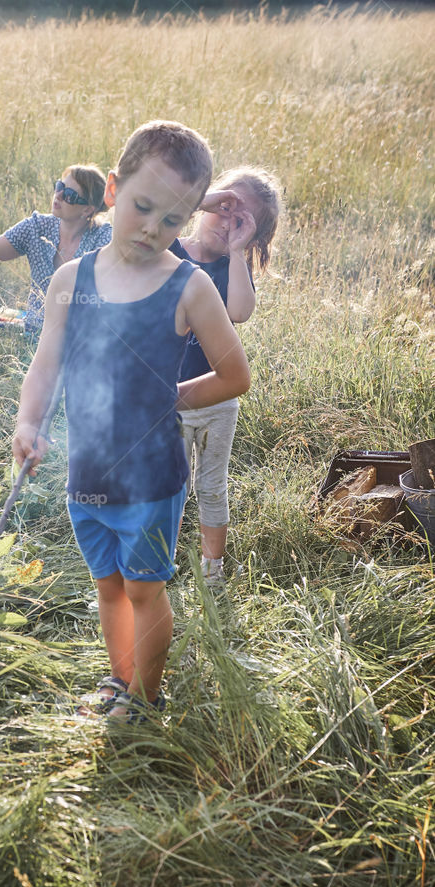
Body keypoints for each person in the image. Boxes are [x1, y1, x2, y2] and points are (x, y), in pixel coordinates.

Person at [13, 121, 251, 722]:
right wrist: (28, 421)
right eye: (142, 207)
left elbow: (234, 375)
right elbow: (46, 362)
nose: (152, 228)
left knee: (145, 587)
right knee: (109, 586)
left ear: (189, 218)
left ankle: (146, 699)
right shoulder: (72, 280)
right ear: (114, 189)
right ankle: (121, 679)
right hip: (86, 468)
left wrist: (169, 399)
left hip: (149, 479)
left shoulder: (189, 287)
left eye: (171, 220)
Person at [172, 167, 283, 583]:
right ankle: (160, 562)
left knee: (211, 488)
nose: (225, 222)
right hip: (172, 396)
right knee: (172, 487)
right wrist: (205, 198)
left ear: (252, 237)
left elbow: (239, 312)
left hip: (218, 400)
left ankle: (212, 571)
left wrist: (238, 251)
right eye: (222, 209)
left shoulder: (231, 266)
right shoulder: (170, 250)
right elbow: (158, 215)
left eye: (240, 222)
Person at [0, 165, 112, 334]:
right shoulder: (37, 226)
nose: (59, 195)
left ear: (88, 209)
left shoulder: (104, 238)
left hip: (81, 335)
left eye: (70, 195)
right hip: (33, 329)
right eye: (60, 187)